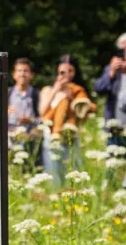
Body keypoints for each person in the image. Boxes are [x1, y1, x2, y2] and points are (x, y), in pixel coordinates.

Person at [38, 54, 95, 184]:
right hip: (52, 138)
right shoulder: (47, 89)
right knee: (53, 176)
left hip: (72, 137)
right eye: (62, 72)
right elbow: (42, 112)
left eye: (71, 71)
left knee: (73, 175)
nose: (67, 75)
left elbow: (83, 114)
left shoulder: (77, 91)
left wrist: (71, 98)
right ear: (57, 73)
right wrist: (56, 91)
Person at [93, 32, 126, 156]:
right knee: (113, 163)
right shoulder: (111, 68)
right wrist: (111, 74)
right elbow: (98, 89)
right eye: (123, 49)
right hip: (114, 128)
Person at [8, 58, 42, 171]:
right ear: (14, 75)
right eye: (19, 71)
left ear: (32, 75)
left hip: (30, 132)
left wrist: (31, 120)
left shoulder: (37, 94)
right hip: (10, 131)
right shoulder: (6, 93)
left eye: (25, 71)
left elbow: (43, 117)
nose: (22, 74)